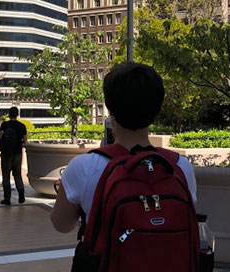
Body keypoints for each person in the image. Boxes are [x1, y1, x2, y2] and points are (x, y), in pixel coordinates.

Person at [50, 63, 198, 270]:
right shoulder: (179, 166)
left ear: (109, 108)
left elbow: (61, 224)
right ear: (157, 109)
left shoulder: (85, 166)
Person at [0, 107, 27, 205]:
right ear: (17, 114)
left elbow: (0, 137)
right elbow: (25, 141)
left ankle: (7, 198)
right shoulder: (22, 126)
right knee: (17, 174)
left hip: (6, 153)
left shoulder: (5, 124)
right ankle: (21, 194)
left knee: (6, 175)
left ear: (9, 114)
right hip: (17, 153)